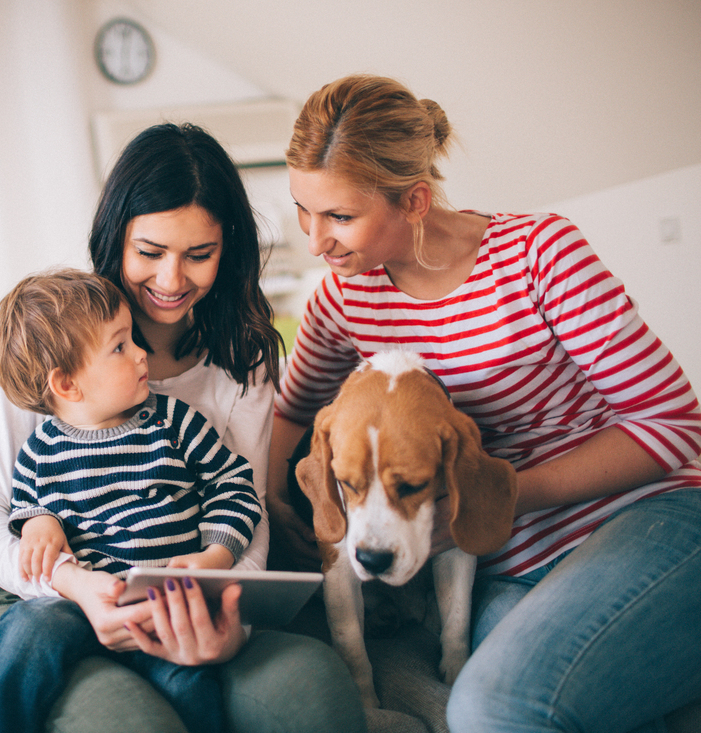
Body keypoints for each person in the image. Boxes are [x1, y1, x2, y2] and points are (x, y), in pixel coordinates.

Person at [266, 74, 701, 733]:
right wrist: (271, 502)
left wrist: (499, 497)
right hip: (505, 560)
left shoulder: (540, 255)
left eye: (340, 217)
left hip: (641, 520)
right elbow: (293, 410)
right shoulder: (342, 301)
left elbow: (674, 425)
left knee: (494, 707)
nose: (316, 241)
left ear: (413, 199)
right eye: (304, 209)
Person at [0, 122, 366, 733]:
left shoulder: (245, 358)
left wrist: (224, 622)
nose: (171, 280)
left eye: (199, 255)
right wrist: (70, 584)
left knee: (313, 696)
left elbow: (243, 505)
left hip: (181, 598)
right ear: (117, 238)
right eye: (150, 252)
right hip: (29, 603)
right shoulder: (56, 332)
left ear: (228, 249)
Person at [0, 268, 263, 733]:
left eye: (133, 340)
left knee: (192, 685)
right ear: (67, 385)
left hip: (162, 604)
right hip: (81, 604)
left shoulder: (174, 422)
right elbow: (24, 510)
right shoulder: (40, 452)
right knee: (25, 631)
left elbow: (233, 485)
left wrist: (216, 555)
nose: (142, 353)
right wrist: (41, 524)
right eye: (120, 347)